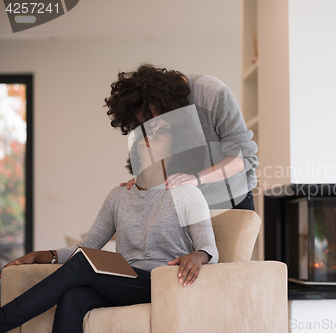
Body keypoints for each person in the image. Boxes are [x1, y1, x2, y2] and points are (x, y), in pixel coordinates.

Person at [0, 100, 219, 333]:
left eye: (161, 132)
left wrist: (199, 255)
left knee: (84, 265)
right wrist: (48, 255)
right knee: (74, 296)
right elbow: (87, 247)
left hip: (163, 282)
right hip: (123, 282)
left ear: (175, 152)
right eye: (148, 129)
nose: (151, 132)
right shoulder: (119, 196)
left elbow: (208, 248)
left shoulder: (186, 192)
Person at [105, 64, 259, 210]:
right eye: (145, 123)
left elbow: (243, 157)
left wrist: (196, 179)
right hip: (185, 203)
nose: (154, 127)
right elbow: (163, 159)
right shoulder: (148, 116)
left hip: (230, 199)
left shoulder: (211, 93)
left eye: (154, 118)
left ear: (165, 103)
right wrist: (143, 181)